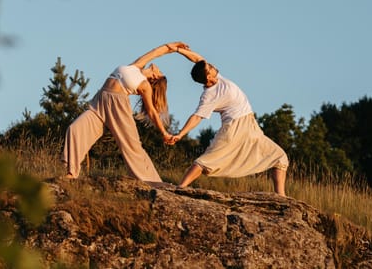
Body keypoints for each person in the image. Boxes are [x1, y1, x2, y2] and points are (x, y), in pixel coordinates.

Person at [167, 46, 289, 196]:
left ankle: (281, 198)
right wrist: (180, 134)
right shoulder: (209, 96)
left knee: (280, 158)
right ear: (208, 78)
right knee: (207, 161)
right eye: (210, 68)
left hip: (251, 127)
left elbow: (198, 60)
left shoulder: (218, 77)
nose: (212, 66)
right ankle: (180, 188)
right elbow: (197, 116)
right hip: (234, 128)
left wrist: (179, 50)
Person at [62, 41, 188, 184]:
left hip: (118, 105)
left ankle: (153, 182)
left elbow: (152, 112)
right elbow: (156, 52)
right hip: (100, 101)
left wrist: (164, 133)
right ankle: (72, 172)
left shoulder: (145, 85)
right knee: (75, 129)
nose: (159, 69)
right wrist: (175, 47)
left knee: (131, 145)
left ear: (155, 77)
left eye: (160, 72)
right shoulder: (137, 66)